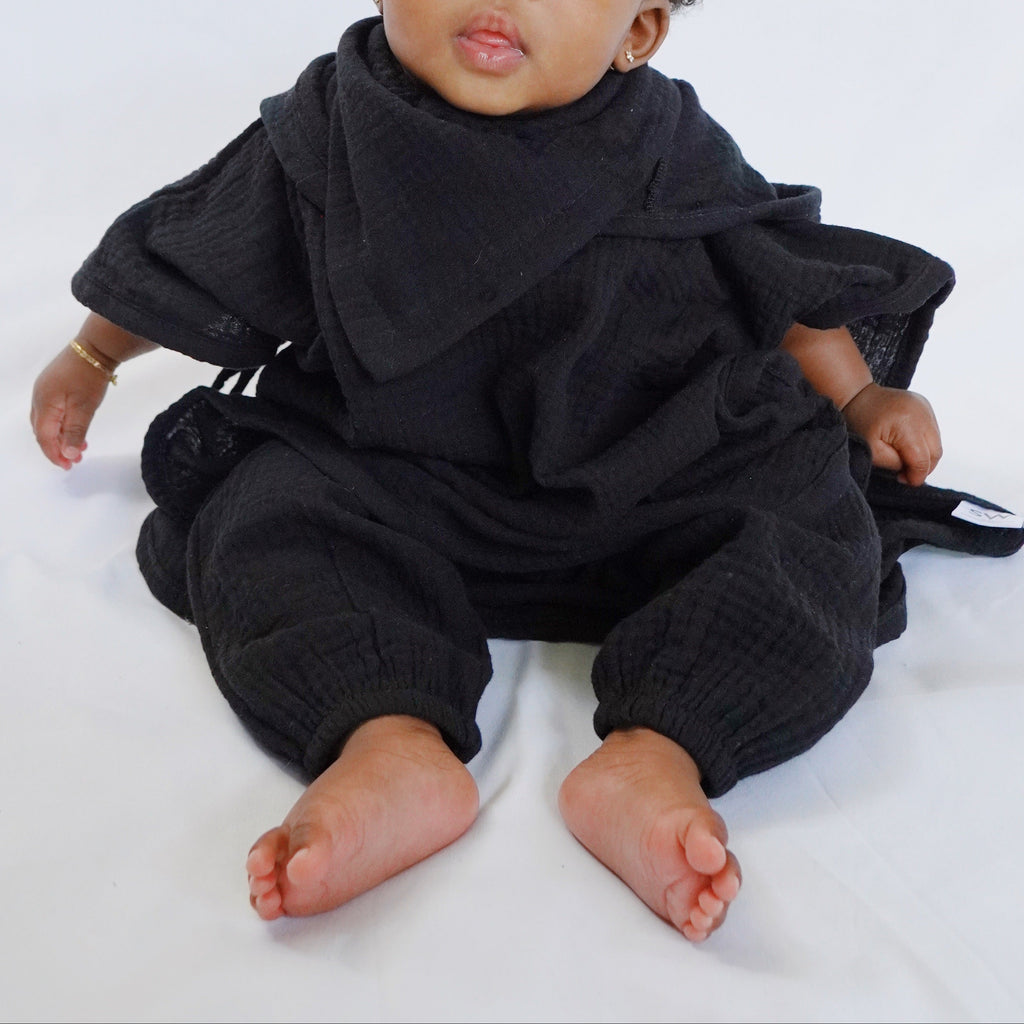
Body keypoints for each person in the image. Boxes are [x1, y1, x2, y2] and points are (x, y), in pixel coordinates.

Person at [28, 0, 1021, 943]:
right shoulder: (337, 126)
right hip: (400, 467)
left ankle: (656, 753)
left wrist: (860, 401)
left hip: (661, 469)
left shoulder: (666, 143)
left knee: (807, 527)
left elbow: (778, 275)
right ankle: (387, 738)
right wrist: (93, 355)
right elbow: (194, 250)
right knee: (267, 512)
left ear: (635, 32)